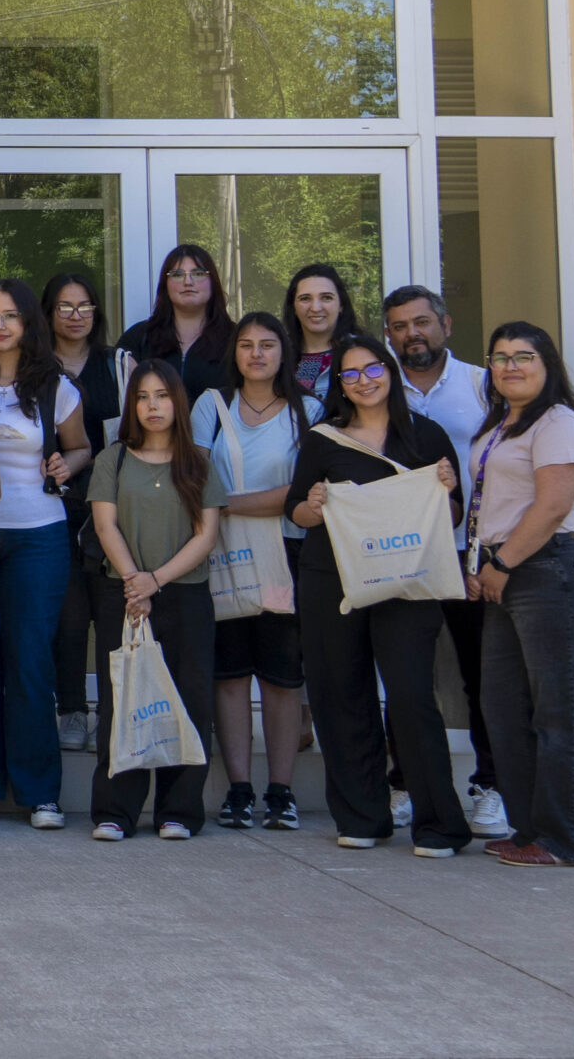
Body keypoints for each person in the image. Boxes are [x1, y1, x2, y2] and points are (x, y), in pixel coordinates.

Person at [287, 333, 471, 856]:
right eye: (350, 374)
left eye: (372, 369)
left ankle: (439, 826)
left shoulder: (427, 435)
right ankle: (362, 818)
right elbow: (296, 511)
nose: (363, 381)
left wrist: (444, 491)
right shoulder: (323, 439)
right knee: (341, 697)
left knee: (412, 698)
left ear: (389, 371)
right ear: (340, 385)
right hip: (331, 581)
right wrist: (313, 505)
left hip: (409, 582)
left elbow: (452, 517)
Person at [0, 279, 91, 831]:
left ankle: (40, 794)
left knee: (31, 661)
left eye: (10, 315)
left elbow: (81, 447)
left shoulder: (56, 386)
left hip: (38, 535)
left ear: (28, 322)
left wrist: (66, 465)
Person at [469, 322, 574, 868]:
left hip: (546, 571)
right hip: (504, 570)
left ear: (547, 364)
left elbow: (552, 506)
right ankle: (531, 831)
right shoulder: (502, 423)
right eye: (500, 357)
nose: (510, 366)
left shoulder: (558, 422)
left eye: (523, 356)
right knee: (504, 709)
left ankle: (566, 841)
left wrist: (501, 563)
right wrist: (483, 564)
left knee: (558, 712)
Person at [384, 284, 507, 839]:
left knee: (482, 675)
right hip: (402, 555)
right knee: (405, 677)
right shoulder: (380, 390)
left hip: (469, 554)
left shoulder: (483, 386)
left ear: (446, 325)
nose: (411, 334)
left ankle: (491, 786)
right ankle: (405, 783)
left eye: (421, 322)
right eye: (399, 326)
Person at [192, 312, 319, 834]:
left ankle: (281, 792)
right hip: (219, 553)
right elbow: (195, 479)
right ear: (235, 353)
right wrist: (255, 503)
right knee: (229, 676)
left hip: (285, 555)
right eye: (246, 345)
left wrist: (229, 504)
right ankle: (239, 790)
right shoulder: (211, 406)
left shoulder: (308, 410)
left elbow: (304, 493)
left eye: (268, 344)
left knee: (282, 678)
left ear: (284, 352)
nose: (257, 354)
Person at [86, 359, 223, 841]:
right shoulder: (114, 459)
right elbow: (105, 524)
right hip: (124, 594)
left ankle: (179, 811)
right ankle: (115, 811)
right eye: (142, 397)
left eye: (162, 396)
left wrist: (155, 581)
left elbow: (206, 536)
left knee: (189, 702)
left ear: (177, 402)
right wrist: (134, 582)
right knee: (122, 701)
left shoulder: (198, 463)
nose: (152, 406)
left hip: (184, 595)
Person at [43, 271, 122, 754]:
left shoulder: (119, 365)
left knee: (111, 614)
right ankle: (71, 708)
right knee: (69, 616)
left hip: (112, 505)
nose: (76, 316)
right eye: (65, 306)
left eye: (85, 306)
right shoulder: (33, 366)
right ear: (48, 312)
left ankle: (112, 715)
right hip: (54, 505)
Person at [117, 244, 234, 401]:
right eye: (177, 274)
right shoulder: (139, 338)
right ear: (165, 284)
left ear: (213, 282)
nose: (188, 282)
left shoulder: (235, 339)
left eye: (198, 273)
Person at [286, 265, 364, 402]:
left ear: (341, 305)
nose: (316, 308)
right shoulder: (279, 356)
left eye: (326, 298)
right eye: (305, 298)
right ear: (293, 307)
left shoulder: (363, 353)